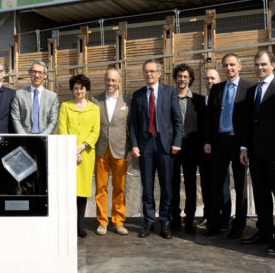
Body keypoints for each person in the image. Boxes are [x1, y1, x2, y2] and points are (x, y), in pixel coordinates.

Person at [240, 50, 275, 252]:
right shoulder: (252, 91)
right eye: (256, 65)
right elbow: (248, 122)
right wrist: (244, 147)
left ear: (273, 65)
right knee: (261, 195)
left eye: (263, 64)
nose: (259, 68)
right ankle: (264, 232)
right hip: (255, 152)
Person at [129, 59, 183, 239]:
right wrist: (135, 145)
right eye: (146, 71)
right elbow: (134, 124)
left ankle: (165, 222)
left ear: (159, 73)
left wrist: (176, 142)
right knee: (147, 187)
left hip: (165, 145)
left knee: (167, 186)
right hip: (146, 146)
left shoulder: (170, 92)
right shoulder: (137, 95)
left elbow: (177, 120)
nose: (149, 74)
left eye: (152, 71)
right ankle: (149, 222)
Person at [204, 53, 253, 239]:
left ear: (239, 66)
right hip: (219, 142)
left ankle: (238, 226)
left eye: (232, 64)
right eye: (225, 65)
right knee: (215, 184)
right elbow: (209, 118)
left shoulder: (249, 88)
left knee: (240, 186)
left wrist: (245, 146)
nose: (229, 68)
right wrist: (208, 140)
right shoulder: (217, 88)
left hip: (239, 143)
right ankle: (215, 223)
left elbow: (249, 120)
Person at [58, 74, 100, 238]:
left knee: (82, 192)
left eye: (81, 88)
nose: (78, 91)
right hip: (68, 154)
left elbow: (95, 131)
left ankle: (80, 226)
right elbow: (62, 130)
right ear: (72, 90)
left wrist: (81, 148)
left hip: (86, 155)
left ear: (86, 89)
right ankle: (68, 225)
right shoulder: (65, 107)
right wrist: (72, 150)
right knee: (69, 191)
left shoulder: (94, 108)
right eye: (75, 88)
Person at [91, 68, 131, 236]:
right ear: (104, 81)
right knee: (101, 188)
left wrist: (130, 149)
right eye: (108, 80)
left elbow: (131, 128)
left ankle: (118, 221)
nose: (110, 83)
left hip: (120, 150)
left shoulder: (127, 102)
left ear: (119, 82)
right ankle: (102, 222)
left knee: (119, 188)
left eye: (114, 80)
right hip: (100, 149)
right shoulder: (95, 100)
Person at [170, 64, 205, 234]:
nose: (182, 79)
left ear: (190, 79)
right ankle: (174, 218)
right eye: (179, 76)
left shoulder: (198, 100)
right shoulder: (169, 98)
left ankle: (189, 219)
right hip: (173, 148)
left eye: (185, 76)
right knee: (173, 184)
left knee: (191, 184)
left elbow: (203, 126)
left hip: (192, 149)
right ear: (175, 78)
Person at [197, 69, 232, 230]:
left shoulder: (224, 100)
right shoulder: (199, 101)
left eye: (213, 78)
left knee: (222, 184)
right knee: (206, 183)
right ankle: (208, 215)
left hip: (220, 148)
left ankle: (224, 217)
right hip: (204, 149)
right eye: (207, 78)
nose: (209, 81)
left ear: (219, 80)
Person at [11, 60, 59, 134]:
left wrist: (42, 137)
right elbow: (15, 118)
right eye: (34, 71)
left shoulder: (52, 97)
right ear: (29, 73)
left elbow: (53, 121)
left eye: (40, 72)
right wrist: (25, 138)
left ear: (45, 75)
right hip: (24, 140)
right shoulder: (18, 95)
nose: (37, 75)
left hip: (45, 140)